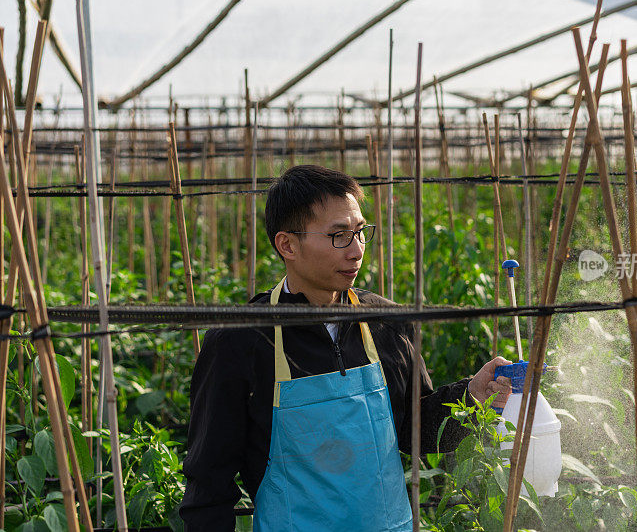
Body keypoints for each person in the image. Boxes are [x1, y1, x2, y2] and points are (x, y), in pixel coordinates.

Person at [180, 165, 512, 531]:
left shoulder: (386, 322)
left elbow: (412, 430)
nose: (356, 251)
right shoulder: (241, 341)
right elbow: (208, 484)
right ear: (287, 244)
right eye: (339, 236)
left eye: (359, 233)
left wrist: (472, 396)